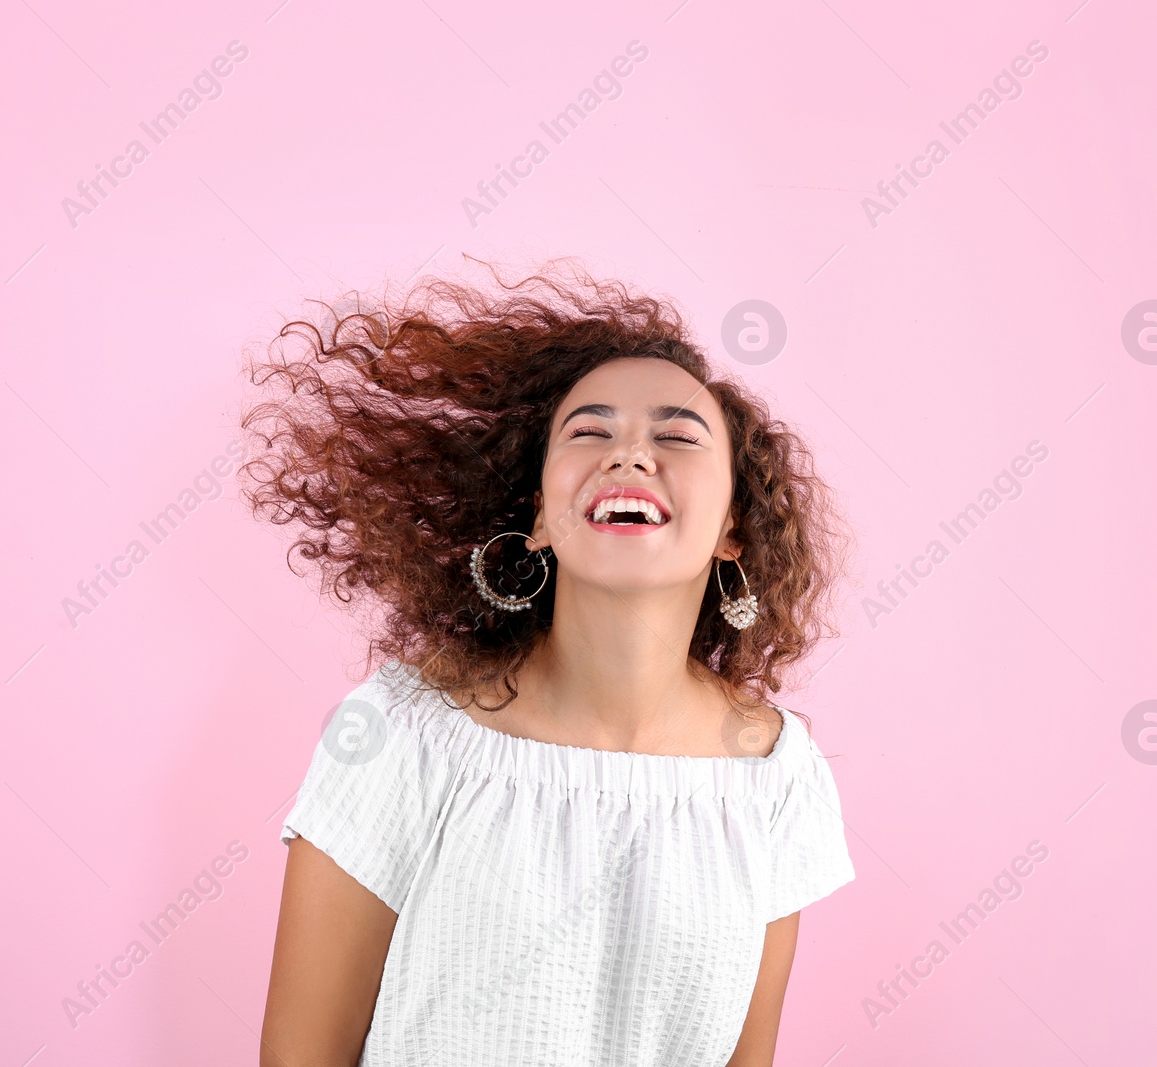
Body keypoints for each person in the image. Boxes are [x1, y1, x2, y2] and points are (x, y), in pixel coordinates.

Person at [242, 259, 856, 1066]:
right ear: (537, 515)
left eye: (676, 435)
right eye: (588, 431)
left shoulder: (776, 774)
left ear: (733, 529)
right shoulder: (403, 731)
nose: (630, 454)